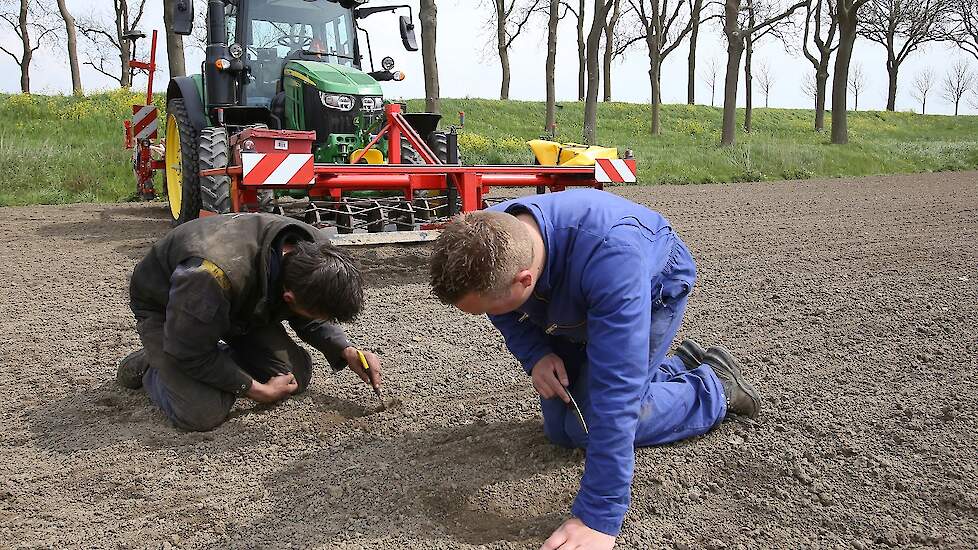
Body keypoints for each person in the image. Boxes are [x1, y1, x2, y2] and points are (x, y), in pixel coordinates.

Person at [428, 189, 761, 550]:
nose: (488, 317)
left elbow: (615, 394)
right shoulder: (491, 238)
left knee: (588, 426)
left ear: (525, 280)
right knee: (560, 429)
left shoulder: (613, 261)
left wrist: (597, 517)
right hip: (573, 297)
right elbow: (501, 309)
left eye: (484, 311)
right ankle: (679, 363)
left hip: (651, 291)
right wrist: (536, 354)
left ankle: (714, 387)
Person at [118, 212, 381, 431]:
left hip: (241, 306)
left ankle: (211, 356)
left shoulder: (315, 253)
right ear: (288, 297)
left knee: (294, 375)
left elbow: (311, 311)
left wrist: (344, 349)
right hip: (171, 310)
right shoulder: (208, 275)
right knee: (201, 413)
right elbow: (190, 350)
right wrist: (255, 389)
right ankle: (152, 363)